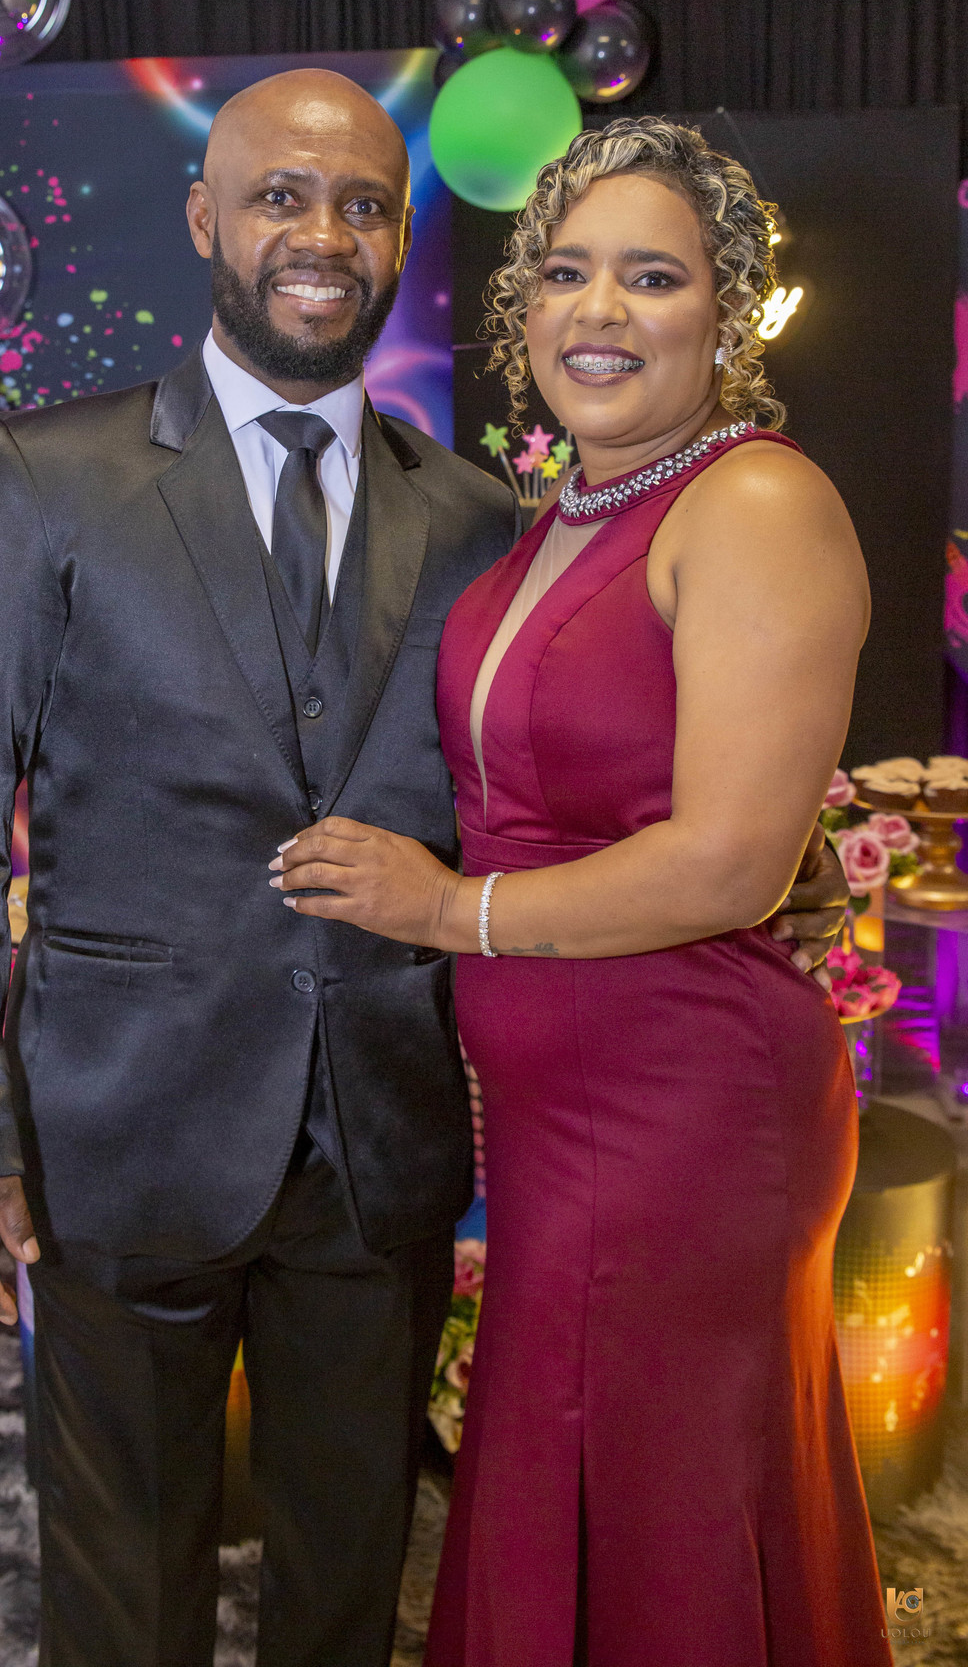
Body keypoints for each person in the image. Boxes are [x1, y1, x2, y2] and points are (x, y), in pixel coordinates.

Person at [0, 77, 847, 1667]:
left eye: (363, 206)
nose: (321, 235)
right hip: (121, 1140)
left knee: (348, 1592)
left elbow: (555, 785)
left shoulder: (479, 513)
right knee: (122, 1600)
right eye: (280, 197)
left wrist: (752, 875)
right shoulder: (50, 476)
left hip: (380, 1151)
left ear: (401, 239)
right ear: (205, 219)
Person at [269, 116, 890, 1667]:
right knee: (573, 1481)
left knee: (670, 1516)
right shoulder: (563, 510)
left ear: (726, 314)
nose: (598, 310)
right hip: (566, 1122)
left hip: (688, 1109)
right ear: (523, 306)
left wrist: (444, 912)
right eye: (565, 273)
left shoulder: (755, 504)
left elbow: (730, 860)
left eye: (653, 277)